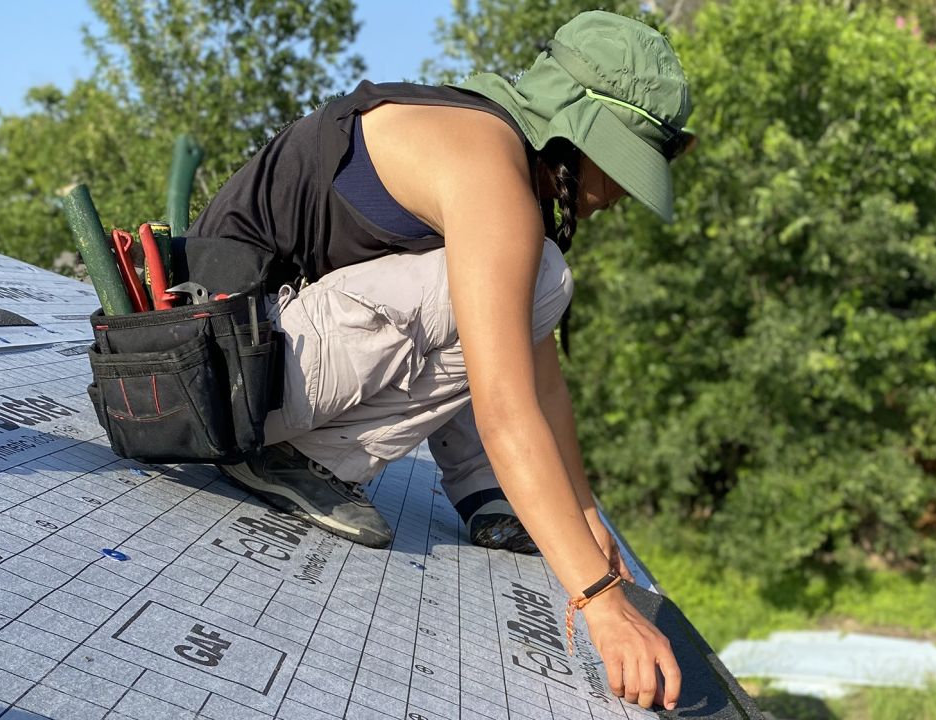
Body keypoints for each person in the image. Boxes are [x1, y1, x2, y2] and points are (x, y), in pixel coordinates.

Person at [188, 10, 693, 710]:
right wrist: (601, 601)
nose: (622, 196)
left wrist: (583, 514)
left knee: (527, 288)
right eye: (624, 164)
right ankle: (292, 456)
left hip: (243, 360)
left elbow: (542, 379)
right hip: (221, 379)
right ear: (576, 133)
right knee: (539, 280)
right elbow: (507, 407)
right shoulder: (490, 175)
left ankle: (480, 490)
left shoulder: (485, 135)